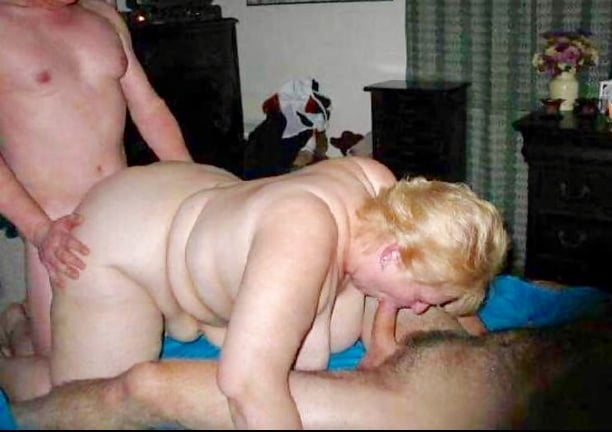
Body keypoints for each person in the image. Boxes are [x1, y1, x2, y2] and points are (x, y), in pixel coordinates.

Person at [0, 156, 508, 429]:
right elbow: (247, 386)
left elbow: (390, 294)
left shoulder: (379, 184)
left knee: (316, 340)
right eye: (421, 297)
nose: (417, 308)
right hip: (123, 237)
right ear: (393, 254)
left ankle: (25, 323)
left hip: (204, 203)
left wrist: (381, 340)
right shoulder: (302, 235)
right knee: (75, 400)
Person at [8, 305, 612, 430]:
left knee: (143, 385)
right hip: (471, 354)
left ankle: (19, 399)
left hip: (420, 403)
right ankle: (22, 334)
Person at [0, 0, 192, 358]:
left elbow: (148, 108)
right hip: (59, 224)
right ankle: (15, 331)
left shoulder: (101, 14)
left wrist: (193, 180)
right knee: (59, 375)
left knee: (156, 332)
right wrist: (39, 231)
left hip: (124, 205)